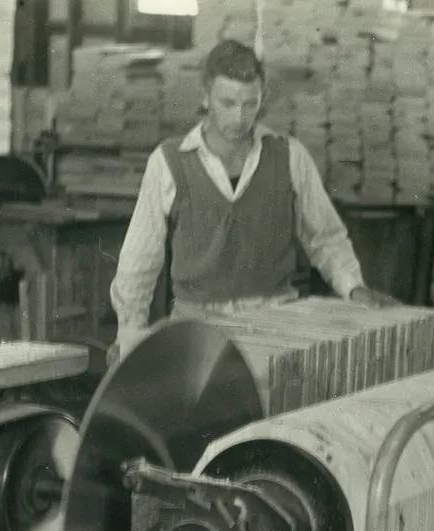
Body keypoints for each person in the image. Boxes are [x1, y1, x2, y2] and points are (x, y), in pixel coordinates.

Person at [108, 39, 393, 365]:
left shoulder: (289, 157)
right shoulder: (169, 162)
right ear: (205, 95)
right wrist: (128, 336)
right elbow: (139, 263)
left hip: (276, 326)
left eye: (249, 104)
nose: (238, 116)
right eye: (227, 102)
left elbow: (326, 238)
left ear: (263, 98)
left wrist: (354, 288)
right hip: (197, 330)